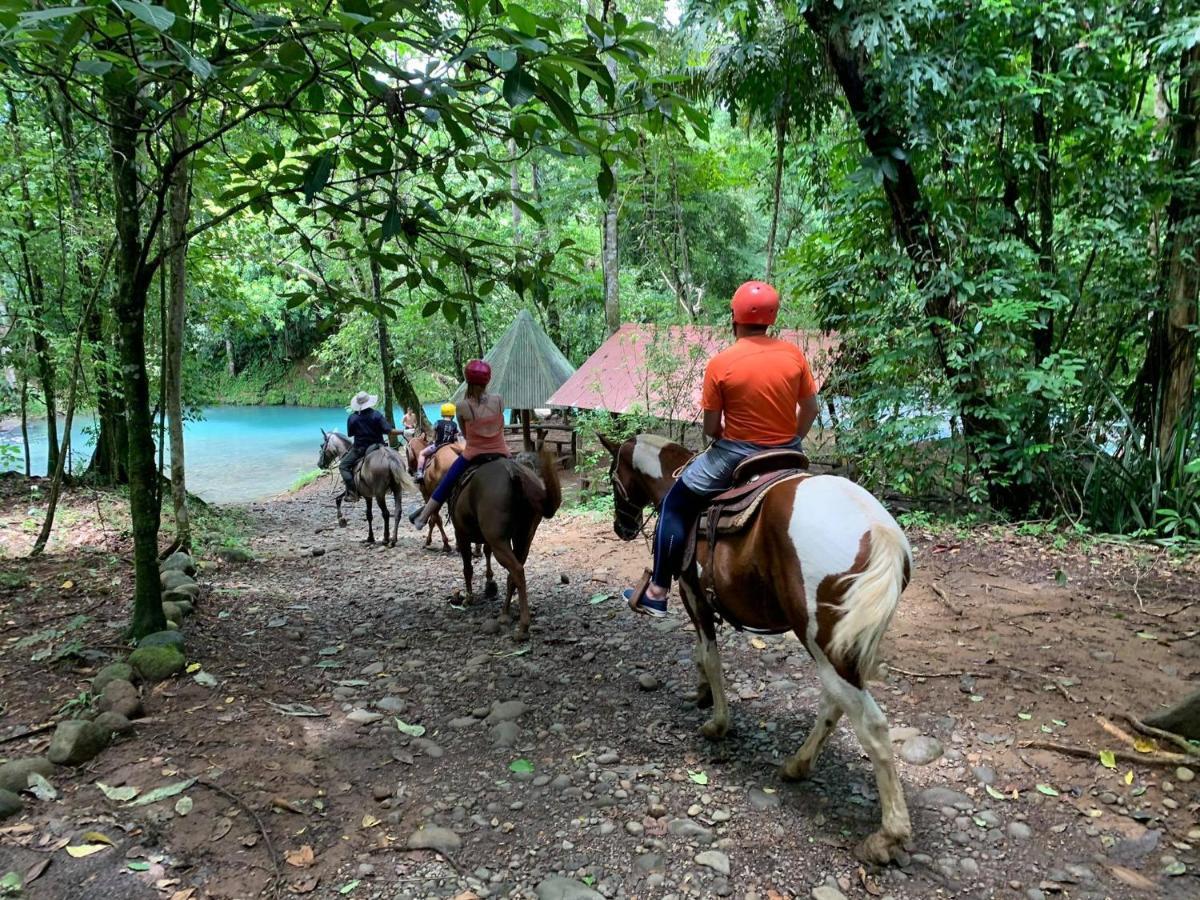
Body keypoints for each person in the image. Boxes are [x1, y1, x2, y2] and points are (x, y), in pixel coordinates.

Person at [624, 281, 821, 617]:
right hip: (788, 452)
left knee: (674, 504)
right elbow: (812, 409)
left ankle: (657, 591)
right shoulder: (794, 355)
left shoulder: (722, 362)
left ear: (735, 317)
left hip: (736, 455)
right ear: (772, 317)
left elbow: (712, 429)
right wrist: (792, 438)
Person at [410, 360, 509, 528]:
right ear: (488, 380)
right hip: (502, 452)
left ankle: (423, 517)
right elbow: (500, 425)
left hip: (474, 454)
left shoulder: (462, 406)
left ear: (468, 381)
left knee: (447, 481)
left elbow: (466, 434)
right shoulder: (499, 400)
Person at [340, 391, 404, 499]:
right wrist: (403, 432)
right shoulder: (377, 415)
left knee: (343, 466)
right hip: (378, 446)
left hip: (360, 449)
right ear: (369, 402)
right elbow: (388, 430)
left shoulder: (352, 418)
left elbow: (350, 434)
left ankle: (352, 492)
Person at [416, 402, 461, 480]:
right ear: (453, 414)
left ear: (442, 413)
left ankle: (419, 473)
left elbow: (434, 436)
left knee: (422, 453)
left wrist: (432, 441)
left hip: (438, 446)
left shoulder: (438, 423)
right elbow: (455, 437)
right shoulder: (454, 424)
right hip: (450, 446)